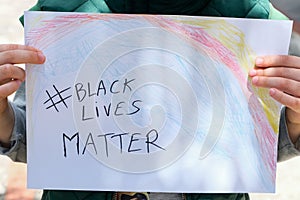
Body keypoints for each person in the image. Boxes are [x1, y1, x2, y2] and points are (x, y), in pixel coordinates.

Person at [1, 0, 300, 199]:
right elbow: (40, 144)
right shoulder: (65, 16)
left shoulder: (246, 19)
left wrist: (295, 116)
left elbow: (257, 151)